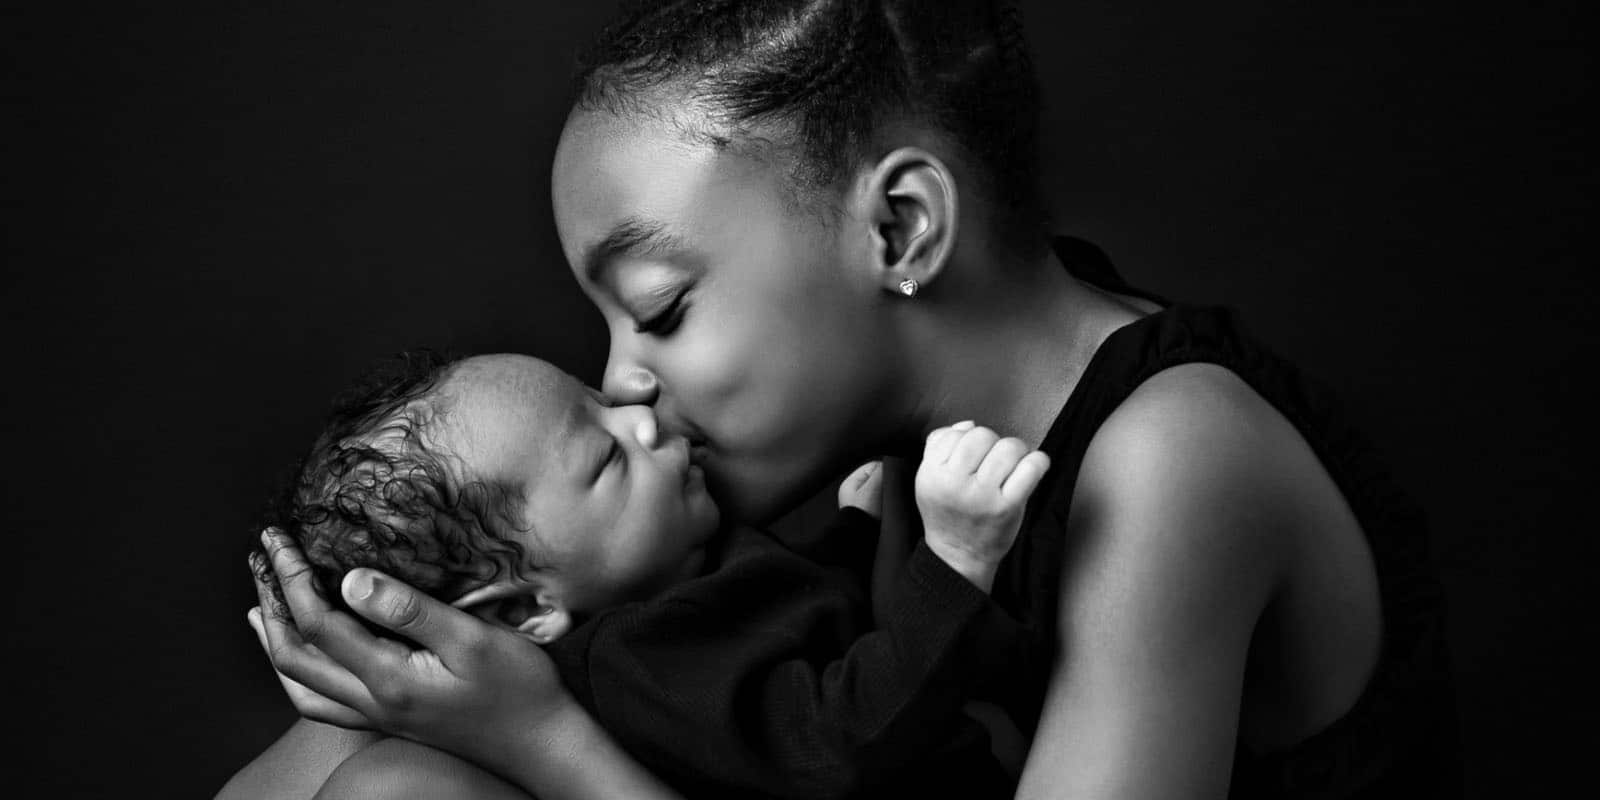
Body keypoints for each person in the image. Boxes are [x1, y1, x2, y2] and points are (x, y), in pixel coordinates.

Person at [227, 0, 1461, 797]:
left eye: (658, 308)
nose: (620, 381)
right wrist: (398, 659)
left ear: (902, 228)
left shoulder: (1175, 457)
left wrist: (545, 741)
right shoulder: (865, 442)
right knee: (384, 767)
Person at [250, 349, 1045, 798]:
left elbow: (806, 614)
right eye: (603, 456)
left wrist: (853, 528)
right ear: (529, 609)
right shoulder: (648, 662)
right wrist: (954, 563)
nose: (638, 412)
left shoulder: (687, 577)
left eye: (597, 399)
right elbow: (845, 735)